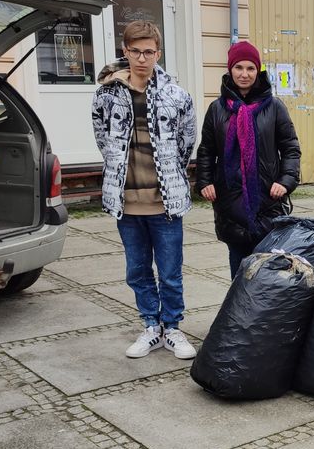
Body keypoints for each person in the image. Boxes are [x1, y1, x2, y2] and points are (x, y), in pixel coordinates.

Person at [91, 20, 198, 360]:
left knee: (170, 271)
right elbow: (102, 136)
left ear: (158, 53)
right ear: (125, 51)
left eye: (148, 51)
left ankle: (173, 328)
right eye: (135, 51)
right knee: (137, 270)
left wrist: (170, 175)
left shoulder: (176, 96)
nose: (141, 58)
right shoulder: (107, 94)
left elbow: (186, 142)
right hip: (126, 201)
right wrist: (116, 165)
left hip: (165, 202)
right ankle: (151, 326)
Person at [196, 40, 301, 277]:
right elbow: (206, 150)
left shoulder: (274, 107)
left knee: (269, 273)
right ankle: (239, 313)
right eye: (239, 67)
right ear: (230, 70)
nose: (244, 74)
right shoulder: (217, 109)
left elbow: (291, 148)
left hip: (268, 199)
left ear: (258, 71)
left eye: (250, 68)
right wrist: (204, 182)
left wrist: (285, 181)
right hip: (230, 201)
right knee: (238, 269)